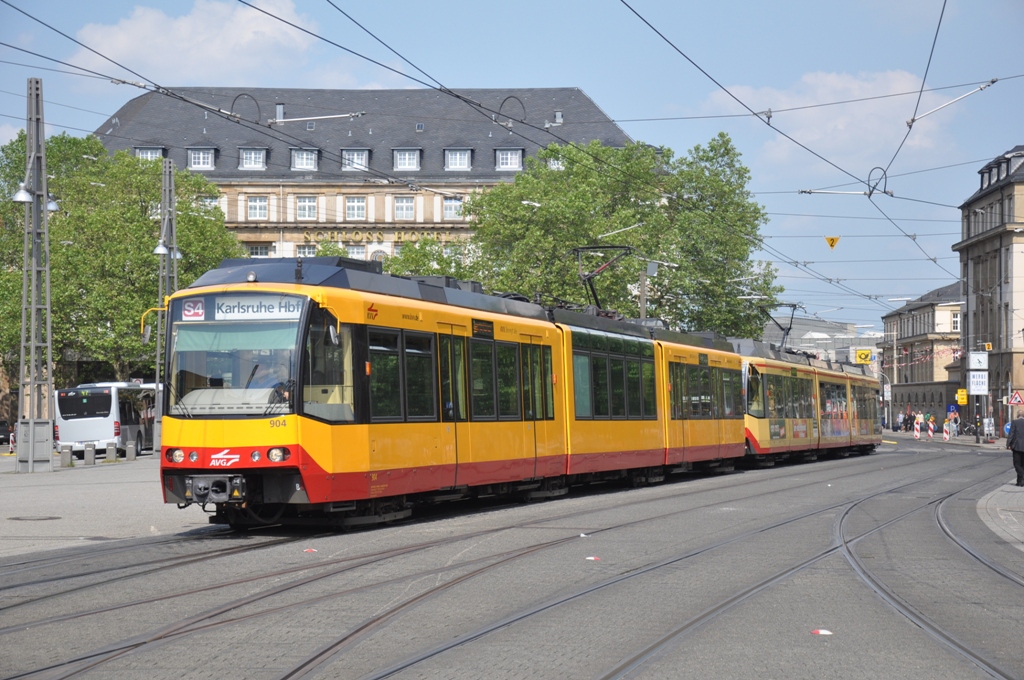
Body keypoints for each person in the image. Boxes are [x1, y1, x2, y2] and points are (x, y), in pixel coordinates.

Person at [1006, 410, 1024, 486]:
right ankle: (1019, 482)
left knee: (1017, 463)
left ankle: (1022, 476)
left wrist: (1008, 444)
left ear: (1017, 415)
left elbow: (1011, 433)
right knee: (1023, 464)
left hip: (1017, 446)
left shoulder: (1015, 422)